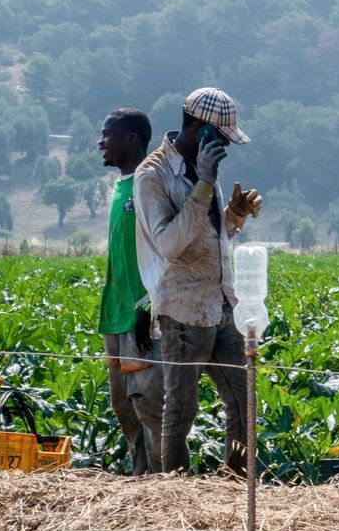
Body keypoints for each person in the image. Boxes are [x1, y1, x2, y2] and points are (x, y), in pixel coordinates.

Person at [133, 87, 262, 475]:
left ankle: (236, 483)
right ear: (201, 129)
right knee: (182, 408)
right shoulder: (152, 175)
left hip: (221, 303)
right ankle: (176, 492)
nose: (224, 146)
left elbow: (206, 236)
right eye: (221, 137)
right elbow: (170, 244)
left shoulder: (206, 169)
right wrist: (204, 184)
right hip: (182, 309)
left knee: (243, 399)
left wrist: (233, 217)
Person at [96, 108, 165, 475]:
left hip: (142, 316)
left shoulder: (149, 184)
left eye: (108, 134)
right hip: (115, 314)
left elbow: (166, 252)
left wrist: (148, 307)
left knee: (149, 407)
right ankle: (141, 484)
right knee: (124, 407)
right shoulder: (121, 186)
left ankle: (162, 488)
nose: (100, 142)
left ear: (131, 139)